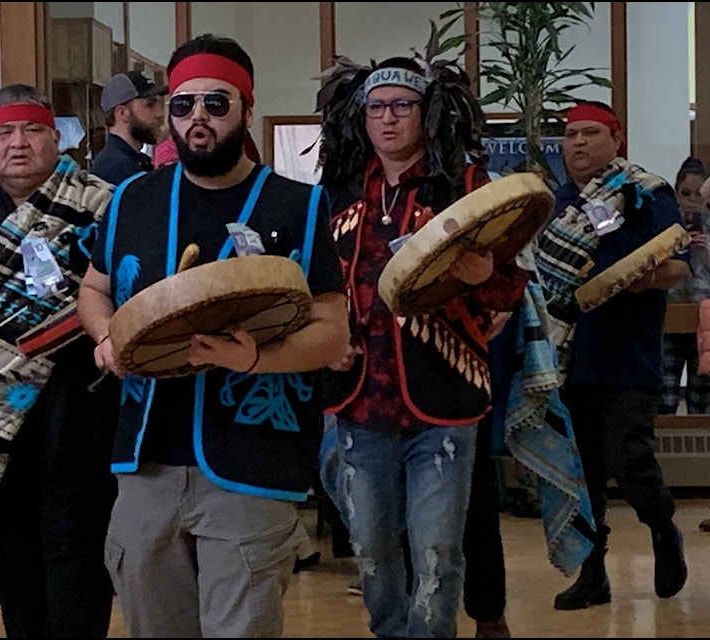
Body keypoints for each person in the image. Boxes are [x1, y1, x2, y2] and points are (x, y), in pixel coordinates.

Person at [77, 33, 350, 638]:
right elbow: (95, 289)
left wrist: (256, 358)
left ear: (246, 108)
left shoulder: (299, 205)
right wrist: (105, 337)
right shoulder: (130, 200)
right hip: (145, 456)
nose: (197, 117)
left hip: (253, 455)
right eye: (183, 103)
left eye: (216, 103)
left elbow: (332, 334)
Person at [313, 50, 528, 637]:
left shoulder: (465, 187)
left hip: (444, 401)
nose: (387, 119)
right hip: (358, 405)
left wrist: (487, 276)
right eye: (376, 108)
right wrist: (325, 340)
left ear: (426, 111)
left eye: (401, 106)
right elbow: (310, 283)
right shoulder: (336, 193)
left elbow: (512, 286)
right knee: (376, 557)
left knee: (436, 558)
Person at [0, 83, 120, 637]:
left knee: (80, 569)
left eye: (33, 130)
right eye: (3, 133)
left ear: (56, 137)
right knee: (12, 573)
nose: (18, 144)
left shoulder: (102, 205)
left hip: (78, 414)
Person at [535, 100, 691, 610]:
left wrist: (629, 279)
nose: (576, 143)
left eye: (589, 133)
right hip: (566, 357)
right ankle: (592, 571)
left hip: (626, 352)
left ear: (615, 139)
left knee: (631, 459)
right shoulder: (555, 203)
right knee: (580, 471)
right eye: (569, 134)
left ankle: (664, 531)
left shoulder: (645, 193)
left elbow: (679, 266)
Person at [660, 157, 710, 416]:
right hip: (671, 314)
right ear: (676, 192)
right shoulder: (666, 225)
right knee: (666, 397)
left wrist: (704, 252)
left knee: (700, 401)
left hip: (705, 320)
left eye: (698, 194)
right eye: (685, 193)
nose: (692, 200)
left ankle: (699, 455)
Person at [89, 70, 166, 185]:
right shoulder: (117, 169)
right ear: (122, 113)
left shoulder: (133, 161)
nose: (160, 113)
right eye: (150, 104)